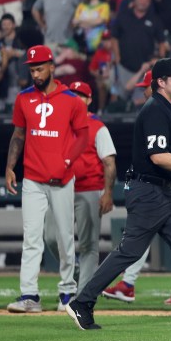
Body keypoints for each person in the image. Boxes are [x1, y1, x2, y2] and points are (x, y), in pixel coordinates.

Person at [65, 58, 171, 329]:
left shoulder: (169, 109)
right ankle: (82, 302)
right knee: (129, 252)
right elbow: (158, 156)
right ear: (161, 82)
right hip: (148, 191)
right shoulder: (155, 109)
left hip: (165, 192)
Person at [101, 69, 171, 304]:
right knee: (148, 233)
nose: (143, 93)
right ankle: (128, 284)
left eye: (145, 87)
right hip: (167, 183)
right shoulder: (159, 112)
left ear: (155, 86)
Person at [5, 45, 89, 313]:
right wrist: (10, 167)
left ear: (52, 67)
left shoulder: (72, 100)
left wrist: (67, 161)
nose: (35, 73)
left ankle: (67, 291)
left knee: (64, 237)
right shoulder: (23, 98)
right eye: (32, 69)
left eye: (40, 68)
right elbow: (18, 135)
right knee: (31, 237)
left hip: (62, 179)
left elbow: (83, 136)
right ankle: (29, 295)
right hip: (32, 178)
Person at [44, 81, 117, 296]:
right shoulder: (57, 122)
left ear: (89, 100)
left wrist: (108, 193)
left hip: (89, 189)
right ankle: (77, 271)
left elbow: (109, 162)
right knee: (50, 237)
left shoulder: (97, 126)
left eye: (81, 95)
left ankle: (84, 294)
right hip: (60, 188)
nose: (76, 99)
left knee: (88, 245)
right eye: (72, 94)